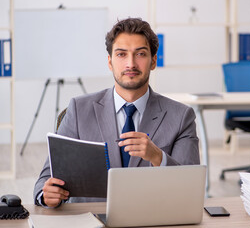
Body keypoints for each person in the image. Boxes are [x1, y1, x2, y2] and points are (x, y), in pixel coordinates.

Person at [33, 18, 200, 208]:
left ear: (153, 61)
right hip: (91, 221)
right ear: (110, 62)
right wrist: (46, 195)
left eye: (141, 54)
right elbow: (45, 179)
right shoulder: (79, 110)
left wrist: (158, 157)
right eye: (121, 54)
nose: (131, 63)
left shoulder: (181, 116)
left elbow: (191, 187)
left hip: (153, 219)